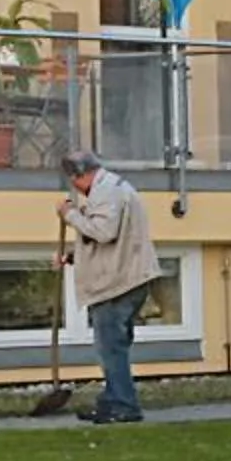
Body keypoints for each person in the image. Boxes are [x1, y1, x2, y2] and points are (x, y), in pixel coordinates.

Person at [55, 146, 155, 424]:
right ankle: (112, 402)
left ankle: (124, 405)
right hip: (126, 276)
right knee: (113, 346)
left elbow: (103, 232)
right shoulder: (112, 188)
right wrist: (72, 257)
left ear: (81, 174)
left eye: (73, 180)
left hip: (118, 283)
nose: (74, 187)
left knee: (111, 347)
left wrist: (70, 215)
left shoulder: (107, 191)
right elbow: (112, 238)